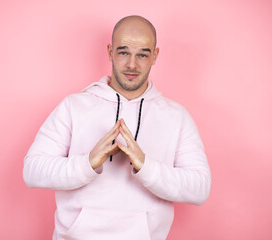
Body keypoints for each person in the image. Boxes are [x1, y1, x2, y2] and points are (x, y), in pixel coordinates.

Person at [23, 15, 211, 240]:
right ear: (110, 51)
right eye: (123, 52)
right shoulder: (73, 106)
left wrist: (145, 166)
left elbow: (200, 188)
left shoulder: (177, 117)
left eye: (142, 54)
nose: (132, 64)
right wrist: (88, 163)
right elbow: (32, 170)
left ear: (155, 56)